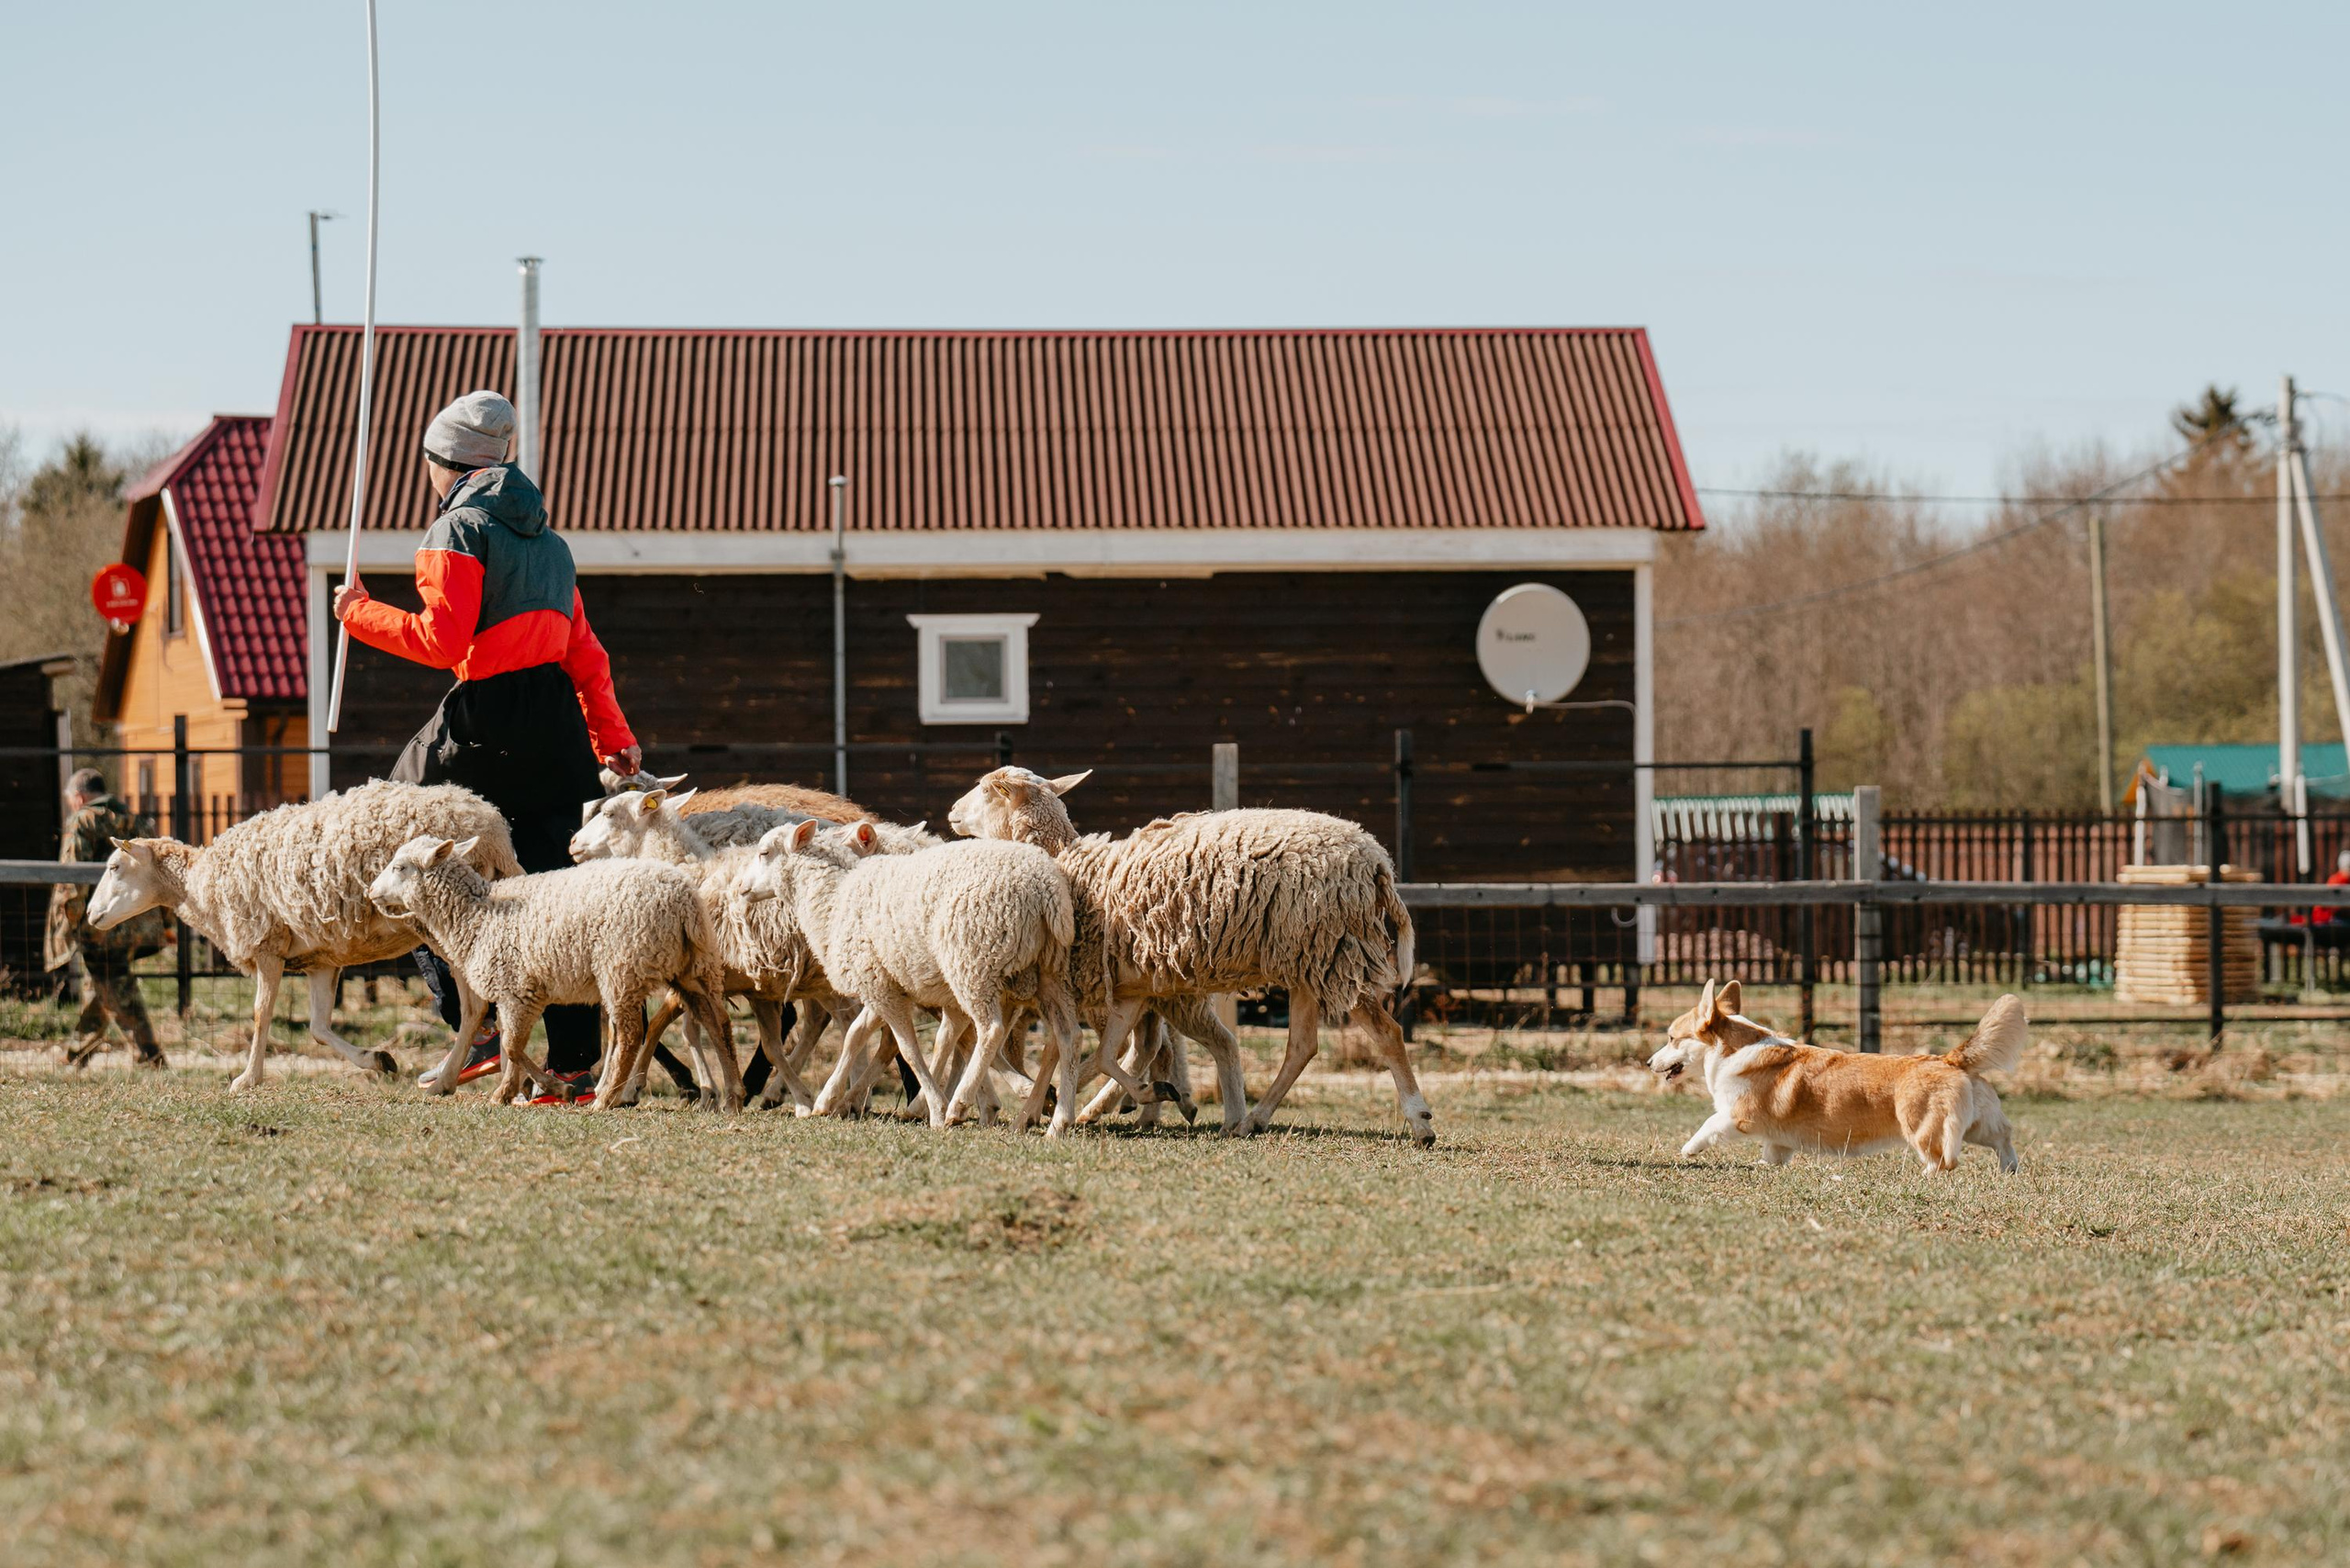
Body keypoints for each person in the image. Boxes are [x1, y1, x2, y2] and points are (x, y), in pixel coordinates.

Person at [334, 390, 640, 1102]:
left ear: (444, 463)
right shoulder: (552, 545)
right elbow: (585, 654)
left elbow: (441, 641)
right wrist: (614, 738)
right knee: (558, 887)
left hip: (485, 722)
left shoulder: (456, 529)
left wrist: (358, 613)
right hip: (556, 727)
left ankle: (477, 1026)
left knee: (408, 842)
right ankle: (573, 1069)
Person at [44, 767, 167, 1070]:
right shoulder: (137, 822)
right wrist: (166, 921)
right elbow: (158, 874)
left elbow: (72, 875)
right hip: (138, 920)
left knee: (115, 985)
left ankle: (150, 1057)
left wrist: (70, 921)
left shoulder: (83, 820)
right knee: (102, 982)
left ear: (79, 797)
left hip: (99, 922)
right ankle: (76, 1054)